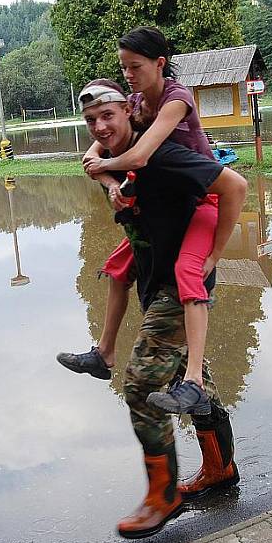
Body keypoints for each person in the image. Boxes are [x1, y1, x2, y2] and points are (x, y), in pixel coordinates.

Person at [68, 79, 247, 538]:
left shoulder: (162, 155)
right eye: (91, 121)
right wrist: (109, 179)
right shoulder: (112, 164)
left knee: (141, 385)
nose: (101, 126)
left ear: (130, 112)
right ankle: (219, 467)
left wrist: (214, 256)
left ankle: (162, 494)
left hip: (179, 286)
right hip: (154, 280)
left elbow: (233, 186)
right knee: (192, 376)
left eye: (108, 115)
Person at [58, 27, 230, 416]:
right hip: (162, 208)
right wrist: (105, 177)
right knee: (119, 267)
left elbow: (140, 157)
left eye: (135, 66)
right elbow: (93, 154)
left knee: (189, 274)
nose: (129, 74)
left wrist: (216, 252)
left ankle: (195, 386)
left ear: (159, 63)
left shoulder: (175, 99)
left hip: (200, 198)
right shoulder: (134, 102)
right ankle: (104, 353)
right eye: (123, 67)